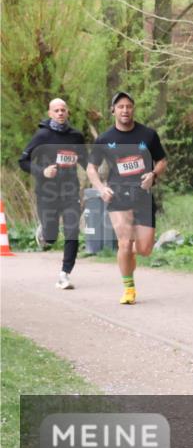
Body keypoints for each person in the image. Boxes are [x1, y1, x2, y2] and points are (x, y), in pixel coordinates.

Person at [86, 91, 167, 305]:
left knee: (144, 249)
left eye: (129, 106)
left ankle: (130, 252)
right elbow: (91, 167)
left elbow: (161, 160)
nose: (125, 110)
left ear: (133, 109)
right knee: (124, 243)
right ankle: (128, 288)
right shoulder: (104, 139)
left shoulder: (148, 134)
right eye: (120, 106)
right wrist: (101, 188)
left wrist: (154, 174)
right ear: (113, 110)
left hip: (143, 195)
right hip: (118, 197)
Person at [18, 98, 88, 289]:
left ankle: (64, 274)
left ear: (68, 112)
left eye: (63, 110)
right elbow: (22, 161)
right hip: (46, 193)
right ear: (50, 114)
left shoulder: (76, 137)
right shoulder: (42, 136)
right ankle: (44, 232)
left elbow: (86, 162)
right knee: (51, 237)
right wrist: (43, 172)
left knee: (72, 231)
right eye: (56, 110)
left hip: (70, 192)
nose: (60, 113)